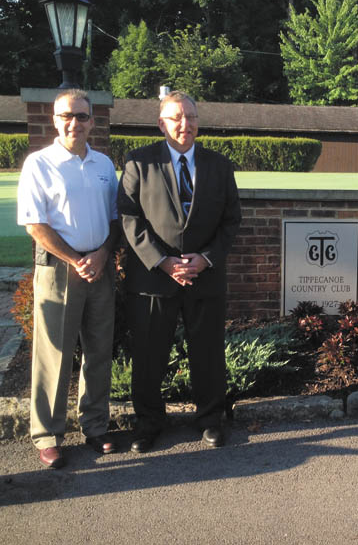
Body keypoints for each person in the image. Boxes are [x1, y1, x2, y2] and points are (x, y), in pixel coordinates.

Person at [117, 90, 241, 453]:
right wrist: (163, 261)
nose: (184, 124)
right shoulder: (139, 163)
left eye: (190, 116)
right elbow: (128, 218)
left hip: (205, 277)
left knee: (208, 353)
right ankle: (149, 422)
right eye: (176, 118)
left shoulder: (219, 165)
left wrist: (205, 259)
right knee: (150, 354)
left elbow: (231, 220)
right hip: (154, 278)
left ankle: (210, 418)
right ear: (161, 124)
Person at [17, 89, 120, 468]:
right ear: (54, 119)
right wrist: (77, 260)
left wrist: (102, 254)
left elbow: (114, 221)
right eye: (66, 116)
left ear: (93, 121)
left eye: (81, 116)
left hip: (100, 268)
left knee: (98, 352)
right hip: (60, 271)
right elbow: (35, 225)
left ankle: (95, 427)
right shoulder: (39, 164)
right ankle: (47, 434)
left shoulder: (104, 165)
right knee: (53, 356)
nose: (73, 122)